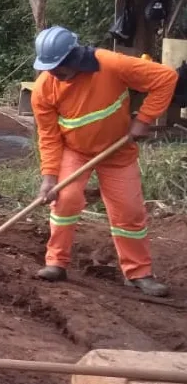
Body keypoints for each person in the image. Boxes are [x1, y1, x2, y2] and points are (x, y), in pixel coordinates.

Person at [30, 26, 177, 297]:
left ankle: (138, 273)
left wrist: (143, 119)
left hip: (117, 152)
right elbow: (49, 137)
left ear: (74, 58)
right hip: (75, 151)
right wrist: (49, 178)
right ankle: (56, 263)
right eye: (48, 68)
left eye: (57, 67)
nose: (52, 73)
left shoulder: (110, 64)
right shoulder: (43, 90)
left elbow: (165, 77)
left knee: (129, 211)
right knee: (65, 199)